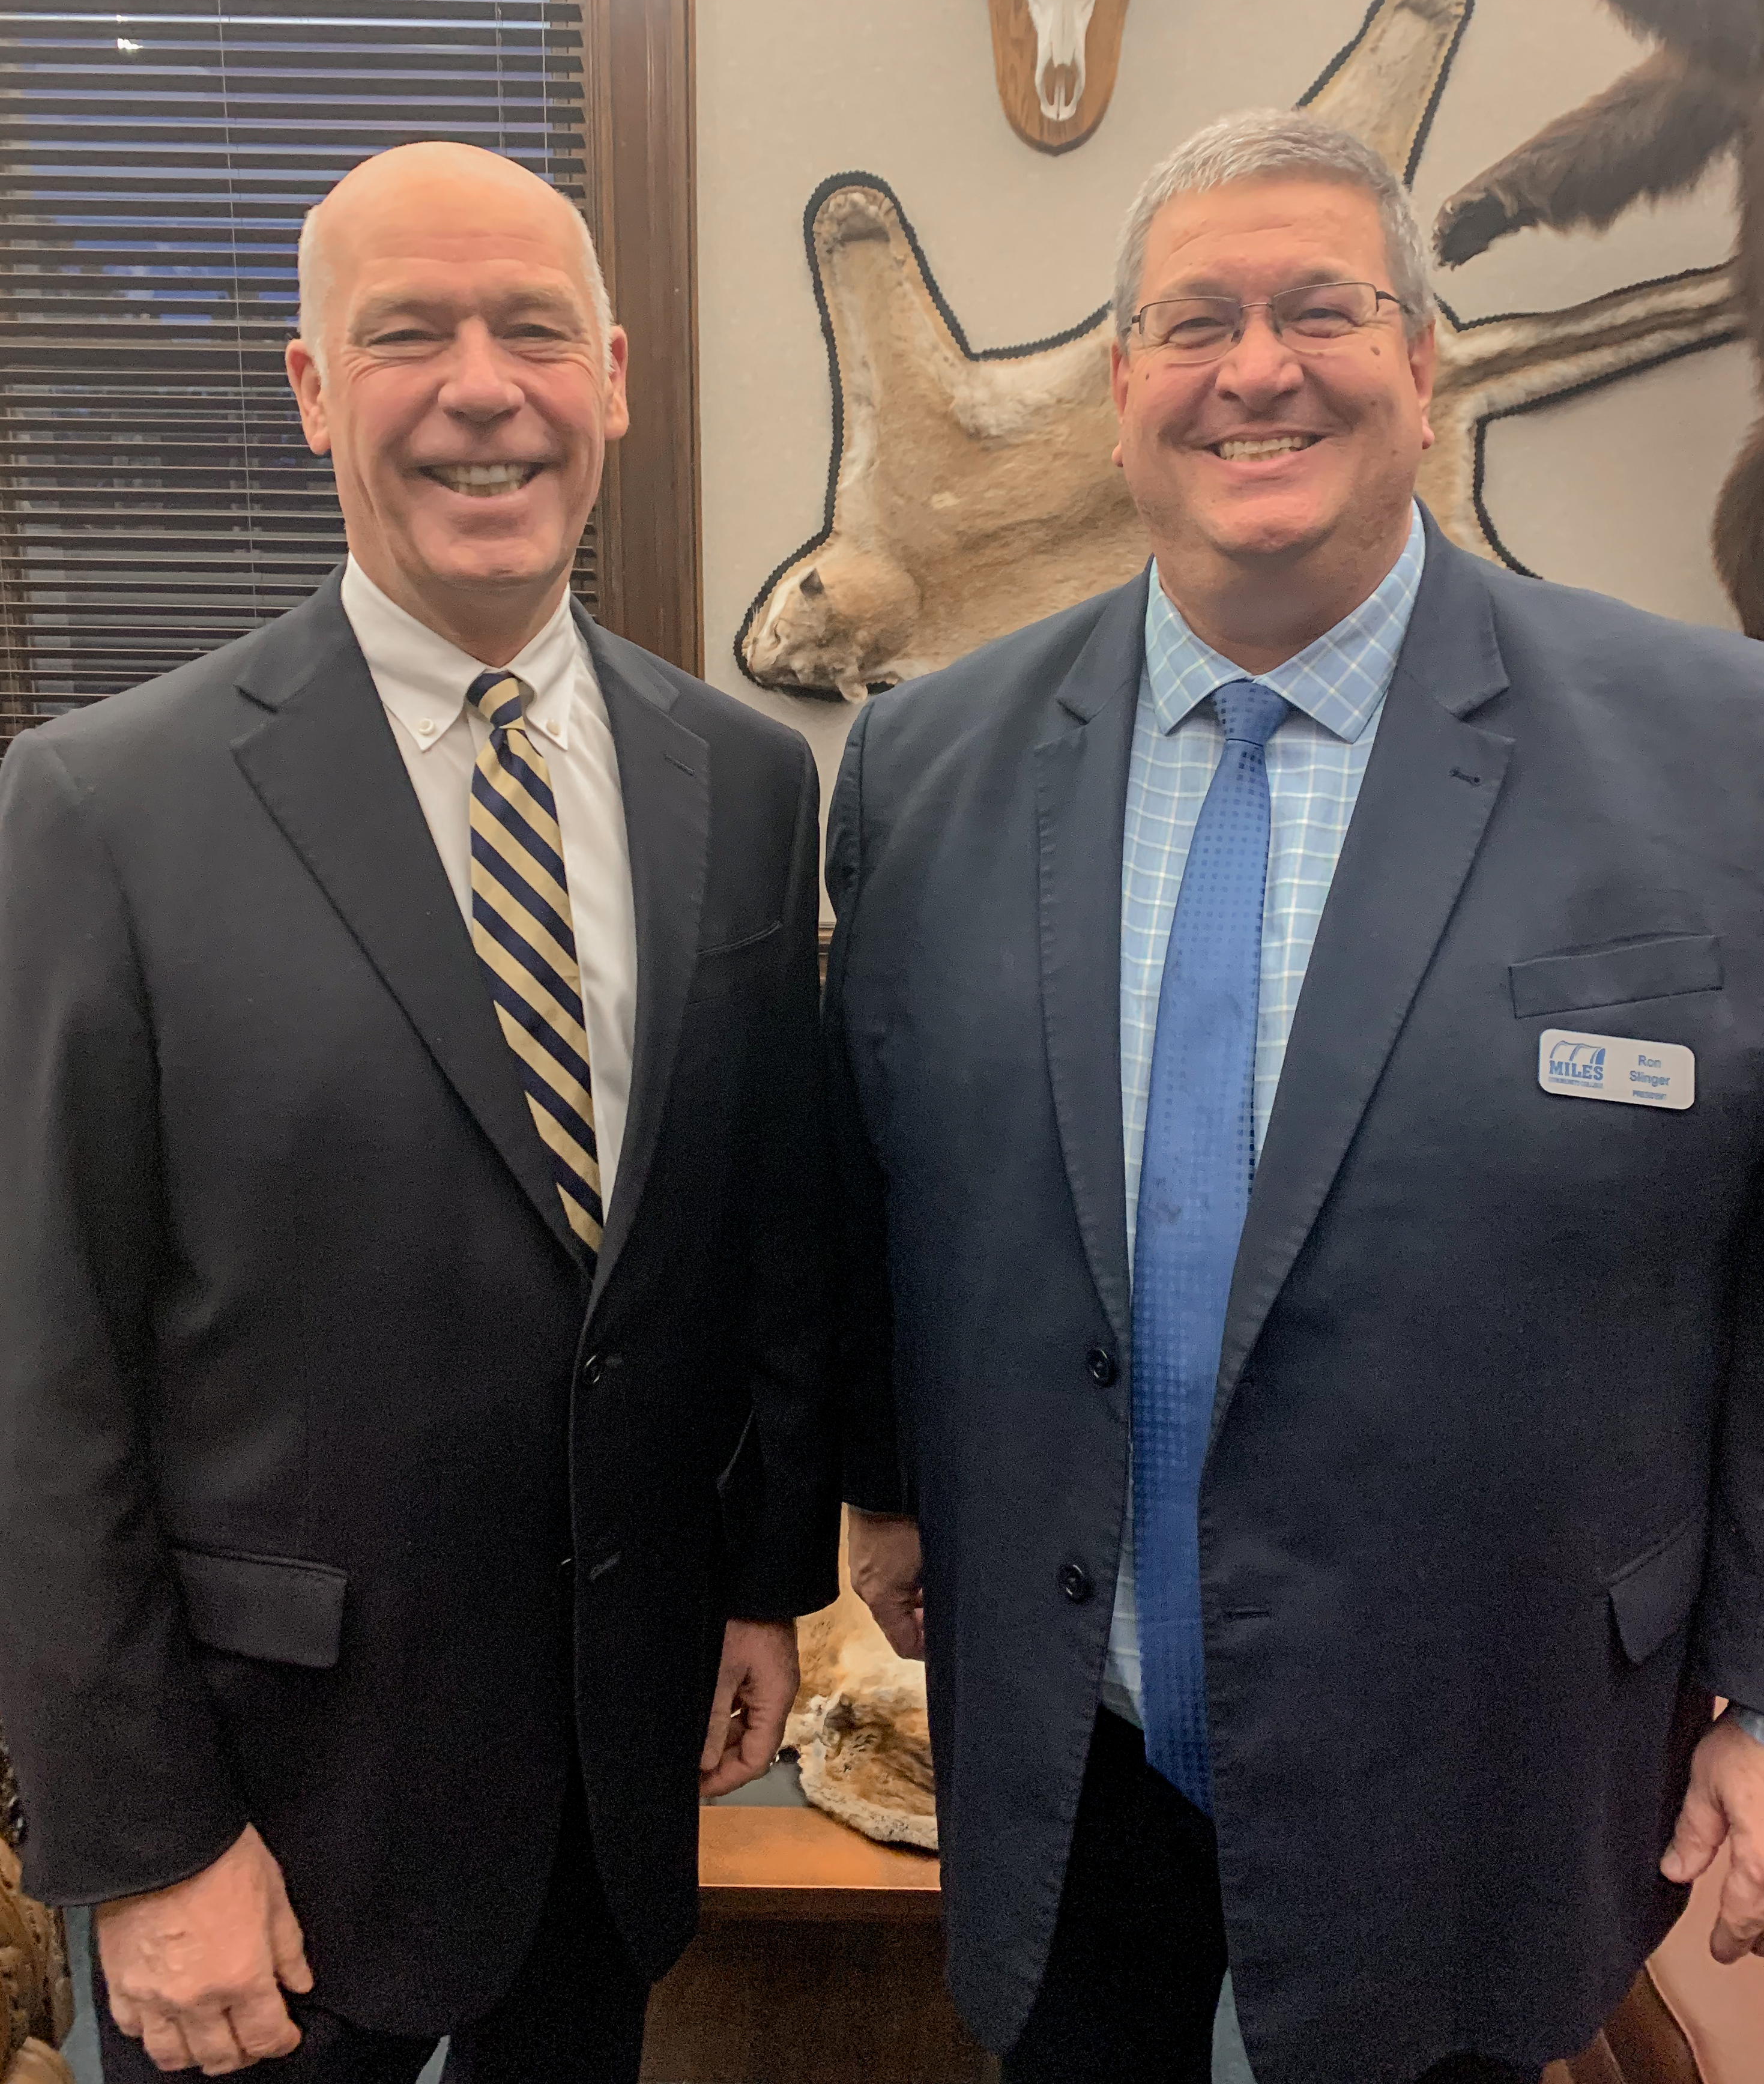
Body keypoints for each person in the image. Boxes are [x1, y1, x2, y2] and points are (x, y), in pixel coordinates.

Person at [825, 109, 1764, 2084]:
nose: (1256, 367)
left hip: (1483, 1754)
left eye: (1318, 310)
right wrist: (885, 1487)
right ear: (1121, 393)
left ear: (1420, 369)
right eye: (1193, 323)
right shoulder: (926, 768)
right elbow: (889, 1174)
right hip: (1070, 1764)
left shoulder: (1713, 757)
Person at [0, 140, 837, 2082]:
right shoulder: (102, 807)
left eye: (533, 330)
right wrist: (140, 1843)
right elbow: (42, 1375)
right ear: (312, 393)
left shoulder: (736, 779)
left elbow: (752, 1240)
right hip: (262, 1817)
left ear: (611, 380)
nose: (483, 387)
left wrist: (758, 1587)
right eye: (408, 336)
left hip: (606, 1776)